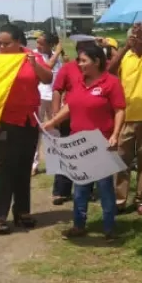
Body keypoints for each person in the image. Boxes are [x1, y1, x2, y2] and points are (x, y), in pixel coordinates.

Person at [43, 44, 126, 242]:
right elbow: (70, 105)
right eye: (79, 60)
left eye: (83, 61)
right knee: (80, 187)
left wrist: (115, 134)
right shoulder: (79, 82)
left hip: (101, 144)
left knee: (105, 187)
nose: (79, 64)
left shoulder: (111, 83)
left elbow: (119, 110)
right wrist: (53, 122)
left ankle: (109, 228)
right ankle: (79, 225)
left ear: (96, 61)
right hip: (78, 143)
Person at [0, 24, 52, 235]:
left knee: (24, 167)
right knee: (6, 167)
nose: (1, 47)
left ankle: (22, 211)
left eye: (6, 43)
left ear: (18, 42)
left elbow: (47, 78)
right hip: (4, 122)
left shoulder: (32, 57)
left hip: (28, 121)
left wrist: (34, 65)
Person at [107, 24, 142, 216]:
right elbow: (109, 71)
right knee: (122, 160)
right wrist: (124, 47)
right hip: (125, 117)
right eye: (139, 36)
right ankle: (119, 200)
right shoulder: (125, 56)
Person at [50, 37, 96, 204]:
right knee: (66, 153)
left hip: (90, 119)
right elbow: (57, 90)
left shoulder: (97, 71)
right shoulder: (68, 69)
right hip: (68, 117)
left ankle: (86, 189)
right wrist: (56, 114)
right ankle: (61, 191)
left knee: (87, 153)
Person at [32, 32, 64, 176]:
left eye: (41, 43)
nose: (38, 45)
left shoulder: (58, 59)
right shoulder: (34, 55)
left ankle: (56, 162)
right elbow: (47, 67)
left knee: (54, 130)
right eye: (37, 42)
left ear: (50, 45)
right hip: (38, 97)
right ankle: (33, 165)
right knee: (35, 132)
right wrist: (57, 52)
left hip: (53, 98)